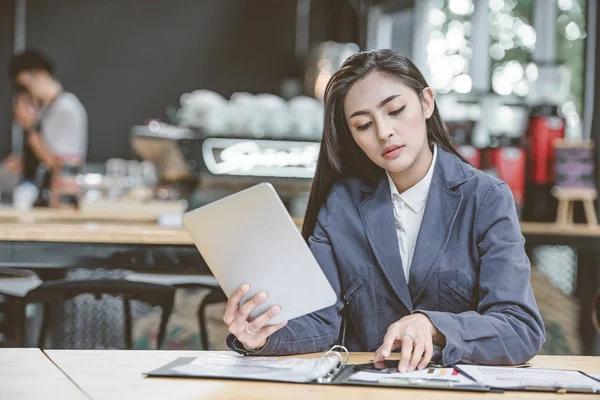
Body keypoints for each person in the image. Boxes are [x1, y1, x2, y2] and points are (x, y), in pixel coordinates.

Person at [222, 49, 545, 371]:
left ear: (427, 102)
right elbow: (322, 323)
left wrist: (433, 326)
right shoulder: (341, 204)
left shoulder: (485, 197)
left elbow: (520, 330)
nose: (383, 132)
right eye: (363, 125)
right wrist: (261, 336)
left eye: (396, 110)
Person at [6, 49, 88, 174]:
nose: (28, 92)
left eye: (27, 85)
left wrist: (30, 127)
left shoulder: (65, 108)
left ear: (40, 75)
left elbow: (59, 167)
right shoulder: (47, 108)